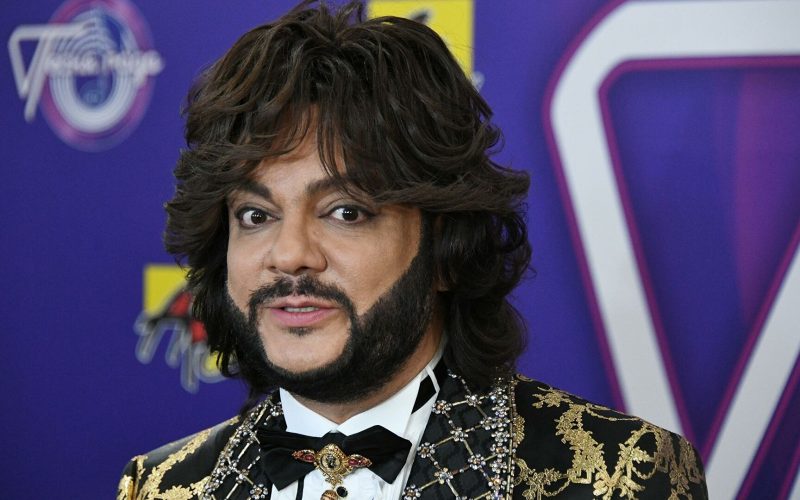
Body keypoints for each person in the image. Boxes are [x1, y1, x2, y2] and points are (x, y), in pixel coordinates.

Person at [118, 1, 708, 498]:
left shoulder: (622, 477)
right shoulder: (160, 487)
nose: (289, 254)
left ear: (446, 249)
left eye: (346, 212)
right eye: (256, 216)